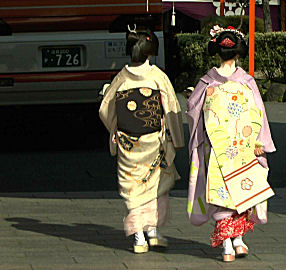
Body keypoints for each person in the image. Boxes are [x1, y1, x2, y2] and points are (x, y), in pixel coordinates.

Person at [186, 25, 276, 262]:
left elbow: (193, 112)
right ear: (239, 53)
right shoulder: (246, 82)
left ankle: (227, 243)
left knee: (220, 191)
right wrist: (260, 141)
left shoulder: (207, 83)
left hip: (216, 147)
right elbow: (259, 113)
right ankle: (238, 241)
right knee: (242, 189)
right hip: (244, 146)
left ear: (217, 52)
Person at [99, 25, 184, 254]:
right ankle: (153, 230)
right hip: (154, 141)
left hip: (129, 143)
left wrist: (115, 129)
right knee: (158, 185)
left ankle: (138, 237)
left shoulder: (121, 78)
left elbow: (105, 108)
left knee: (131, 189)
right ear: (151, 50)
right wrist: (176, 138)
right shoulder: (158, 76)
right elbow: (172, 108)